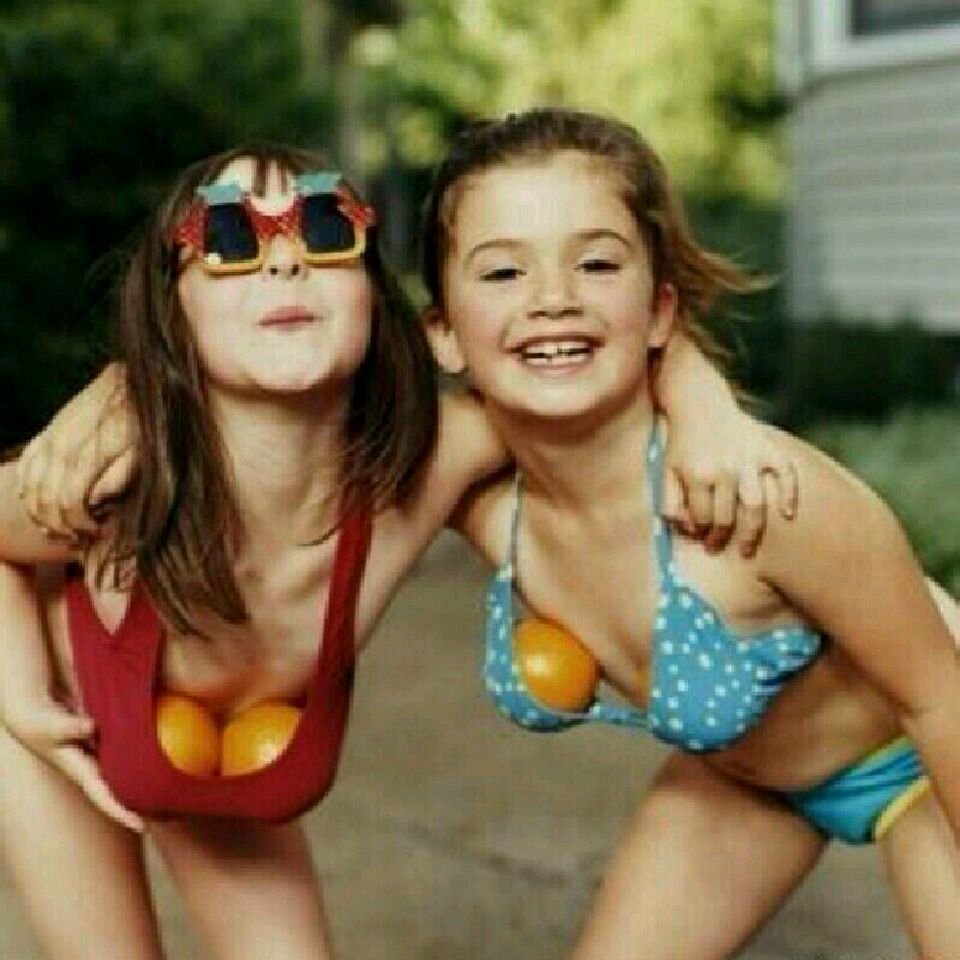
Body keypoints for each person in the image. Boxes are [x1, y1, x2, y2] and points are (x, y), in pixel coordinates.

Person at [0, 139, 791, 960]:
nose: (284, 261)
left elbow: (600, 358)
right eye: (231, 237)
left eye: (323, 228)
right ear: (174, 310)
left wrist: (708, 411)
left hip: (231, 761)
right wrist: (18, 689)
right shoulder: (117, 477)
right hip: (63, 722)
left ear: (379, 298)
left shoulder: (431, 459)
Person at [414, 108, 960, 958]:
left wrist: (698, 395)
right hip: (749, 784)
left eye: (597, 263)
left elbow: (940, 696)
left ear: (659, 309)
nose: (553, 297)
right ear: (443, 332)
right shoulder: (485, 503)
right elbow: (302, 444)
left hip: (929, 754)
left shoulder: (760, 499)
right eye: (503, 272)